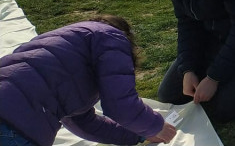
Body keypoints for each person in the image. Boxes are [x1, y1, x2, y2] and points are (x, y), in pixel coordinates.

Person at [0, 15, 178, 146]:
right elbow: (120, 104)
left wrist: (138, 136)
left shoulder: (68, 47)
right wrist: (156, 127)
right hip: (15, 126)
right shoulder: (112, 38)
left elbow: (84, 123)